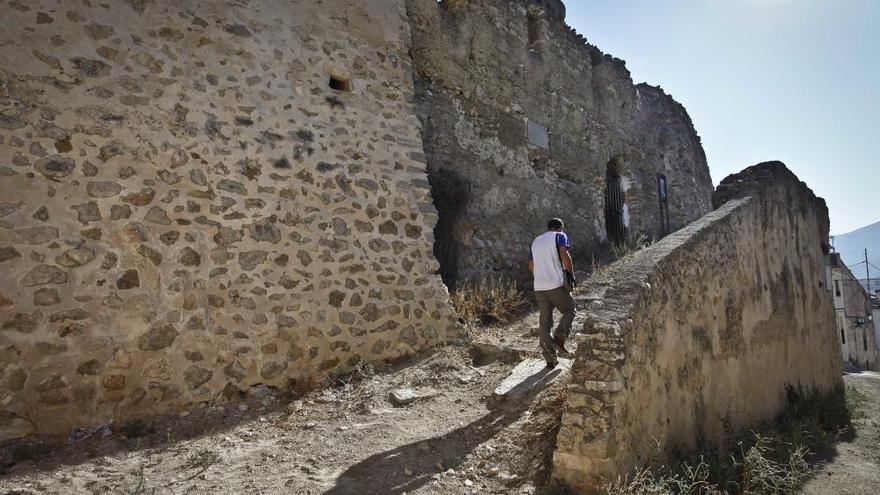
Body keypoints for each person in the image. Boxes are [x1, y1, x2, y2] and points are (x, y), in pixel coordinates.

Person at [528, 218, 576, 368]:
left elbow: (530, 264)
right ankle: (559, 339)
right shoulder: (560, 236)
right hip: (555, 284)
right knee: (570, 310)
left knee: (544, 323)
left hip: (539, 286)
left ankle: (549, 359)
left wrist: (540, 276)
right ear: (559, 228)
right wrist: (571, 275)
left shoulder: (536, 241)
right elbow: (564, 255)